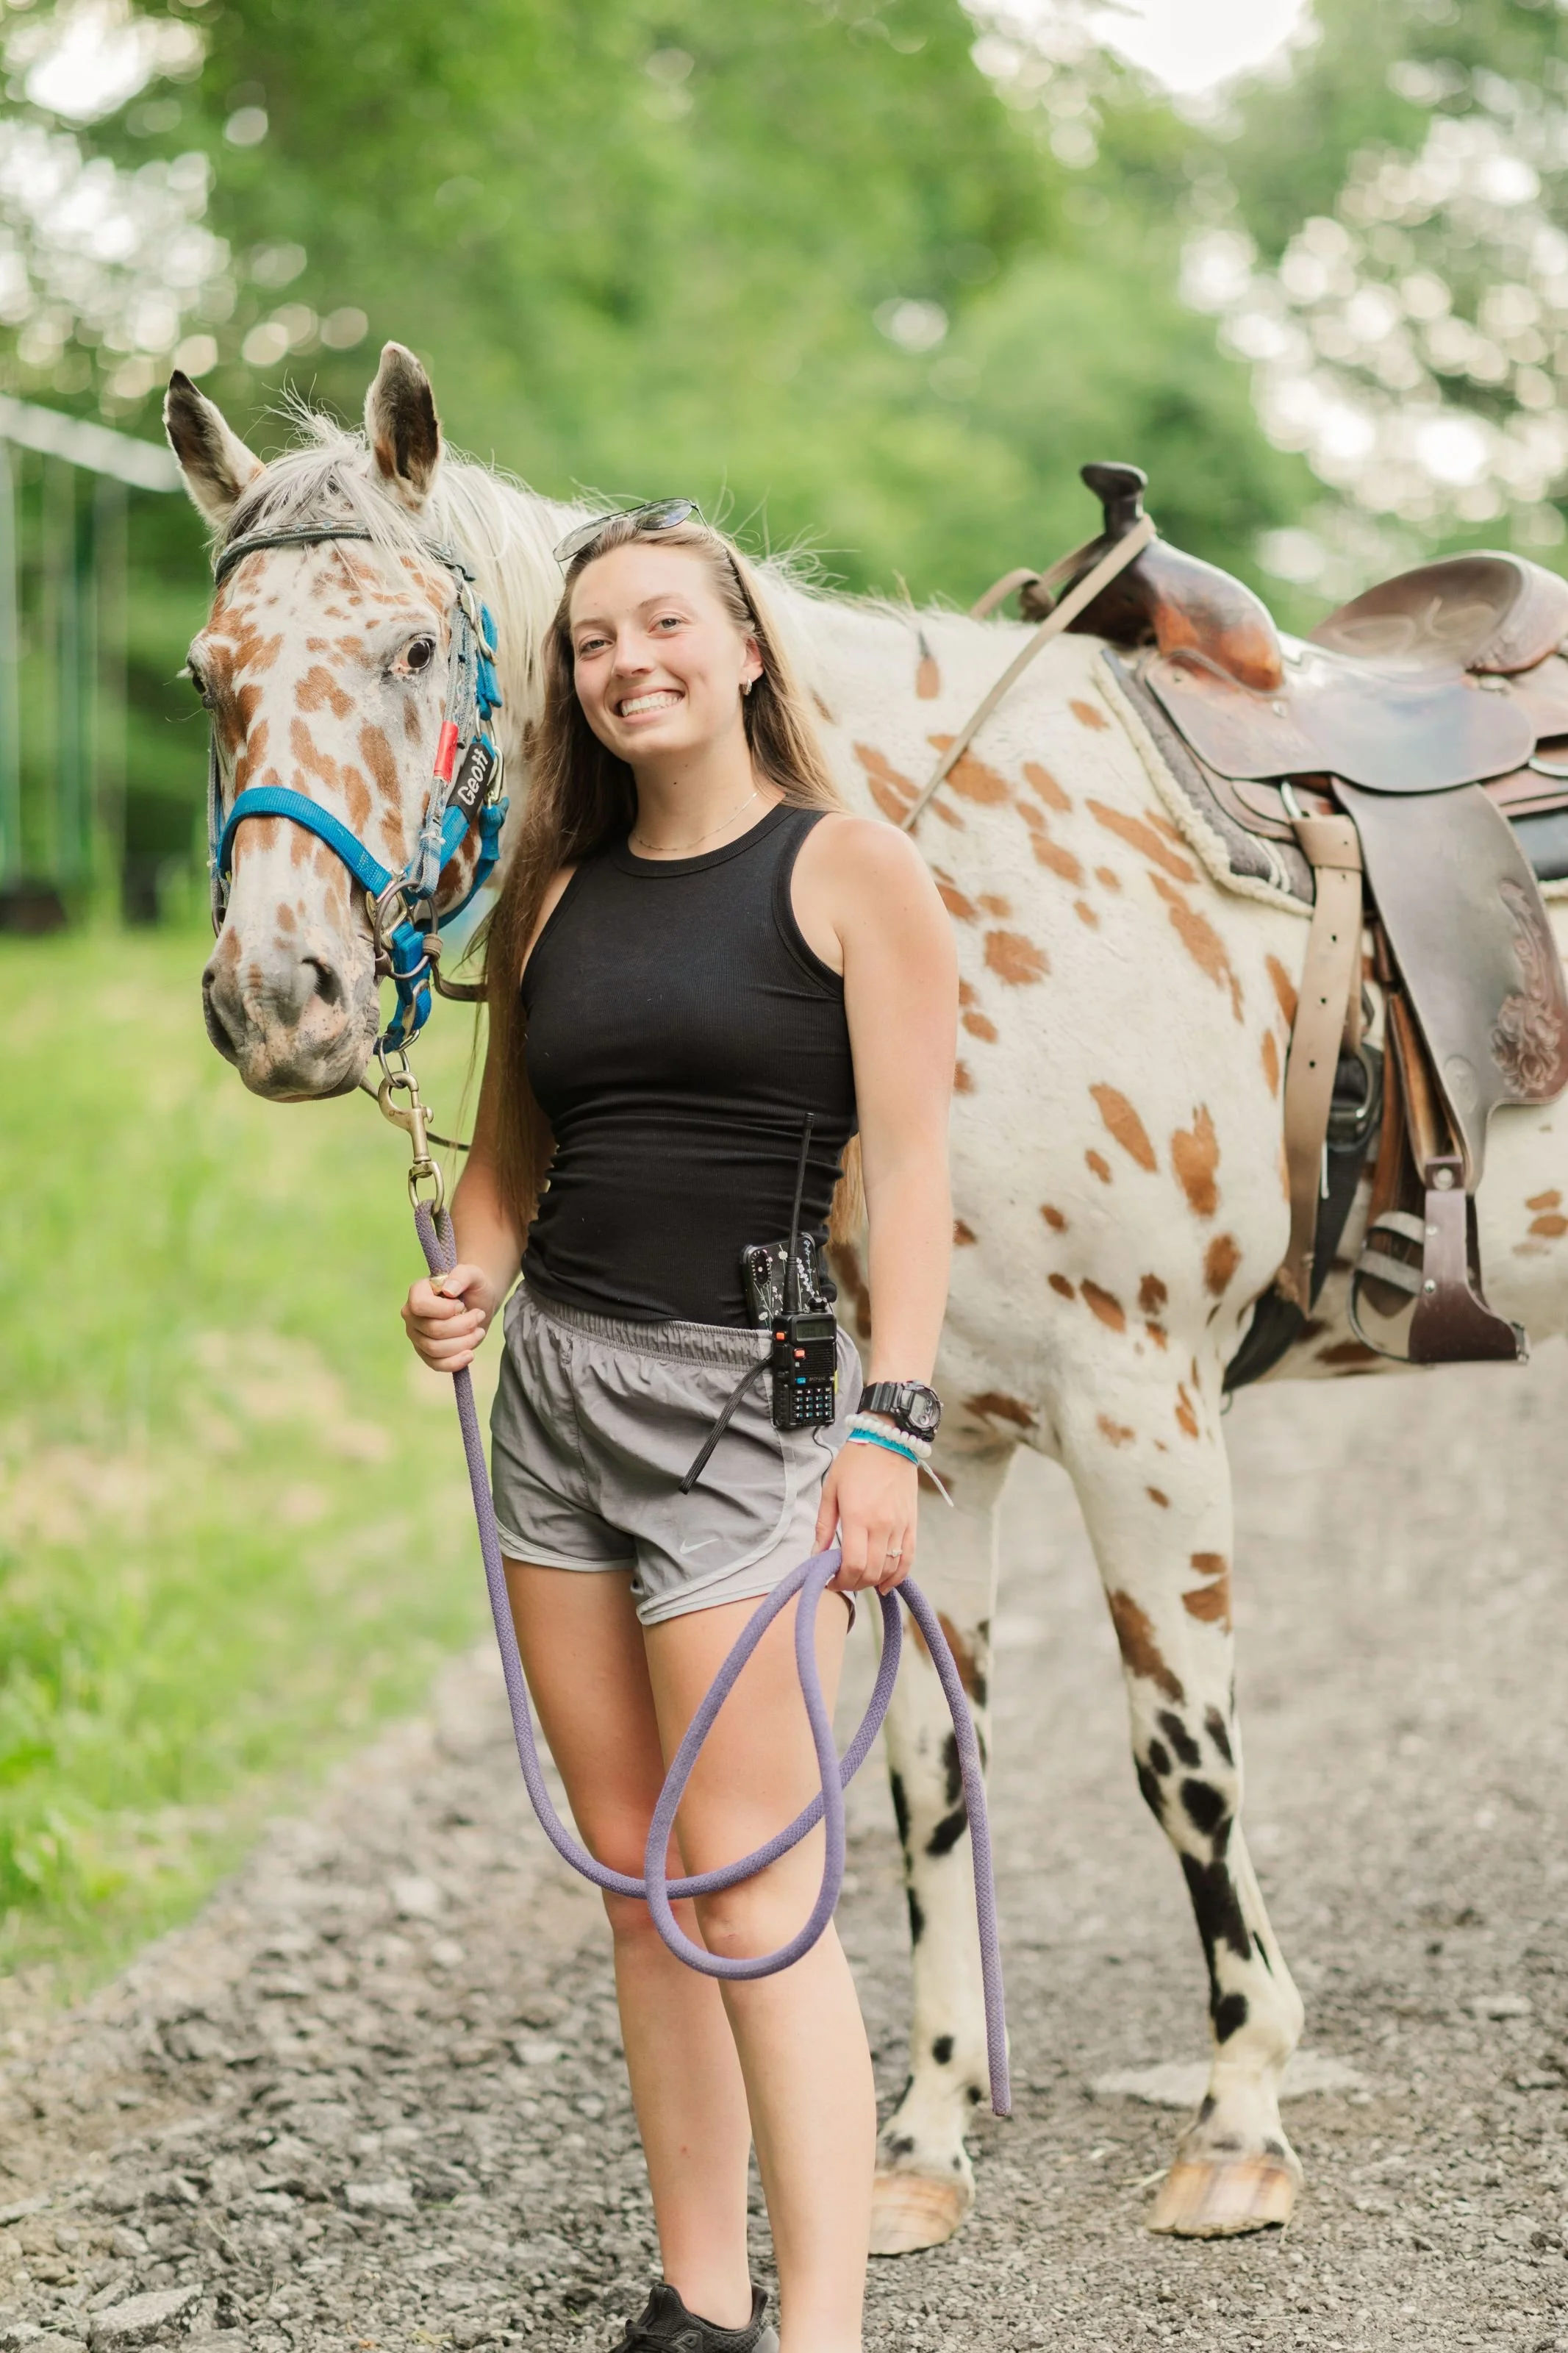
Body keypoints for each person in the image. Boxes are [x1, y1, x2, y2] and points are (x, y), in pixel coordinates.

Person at [401, 501, 957, 2353]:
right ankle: (699, 2301)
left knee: (752, 1892)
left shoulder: (853, 873)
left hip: (754, 1407)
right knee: (641, 1877)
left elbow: (920, 1186)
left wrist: (884, 1429)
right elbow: (503, 1173)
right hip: (554, 1401)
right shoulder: (546, 896)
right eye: (590, 640)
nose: (627, 661)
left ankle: (824, 2333)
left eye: (661, 625)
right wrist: (462, 1281)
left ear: (738, 648)